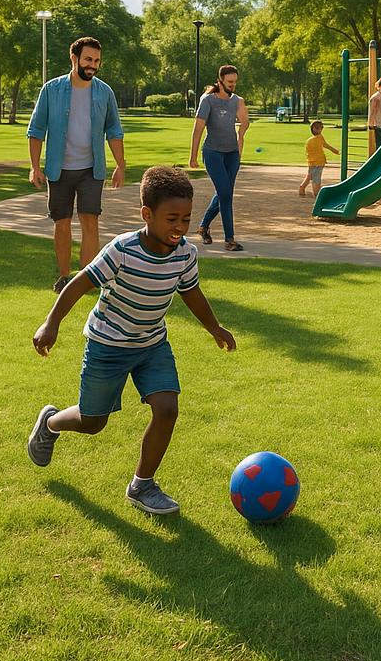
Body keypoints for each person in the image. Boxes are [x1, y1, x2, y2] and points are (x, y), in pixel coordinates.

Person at [27, 165, 236, 516]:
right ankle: (50, 422)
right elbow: (80, 283)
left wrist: (214, 327)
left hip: (152, 344)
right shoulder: (122, 250)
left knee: (167, 408)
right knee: (93, 422)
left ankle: (142, 485)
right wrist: (51, 323)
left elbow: (191, 292)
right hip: (107, 346)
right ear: (147, 214)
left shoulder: (185, 254)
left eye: (186, 219)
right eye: (172, 219)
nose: (180, 227)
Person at [27, 36, 126, 293]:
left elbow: (114, 130)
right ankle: (64, 277)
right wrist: (35, 166)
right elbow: (36, 130)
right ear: (74, 58)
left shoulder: (104, 92)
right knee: (61, 223)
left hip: (91, 169)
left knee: (90, 221)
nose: (92, 65)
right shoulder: (51, 90)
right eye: (88, 59)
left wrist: (120, 165)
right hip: (58, 169)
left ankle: (85, 280)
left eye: (97, 61)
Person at [189, 64, 249, 252]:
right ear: (220, 81)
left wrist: (241, 133)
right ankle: (230, 240)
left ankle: (203, 227)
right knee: (225, 194)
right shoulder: (208, 100)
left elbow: (245, 122)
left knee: (224, 193)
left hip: (232, 154)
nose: (233, 85)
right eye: (230, 82)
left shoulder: (237, 101)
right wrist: (193, 156)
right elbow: (198, 129)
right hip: (213, 153)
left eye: (235, 82)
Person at [300, 120, 339, 197]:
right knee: (316, 178)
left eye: (321, 128)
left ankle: (302, 187)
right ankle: (316, 192)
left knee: (310, 176)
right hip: (316, 162)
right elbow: (313, 151)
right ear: (314, 129)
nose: (321, 130)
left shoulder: (318, 138)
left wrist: (335, 151)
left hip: (315, 162)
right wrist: (335, 151)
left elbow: (325, 145)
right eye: (320, 128)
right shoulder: (313, 140)